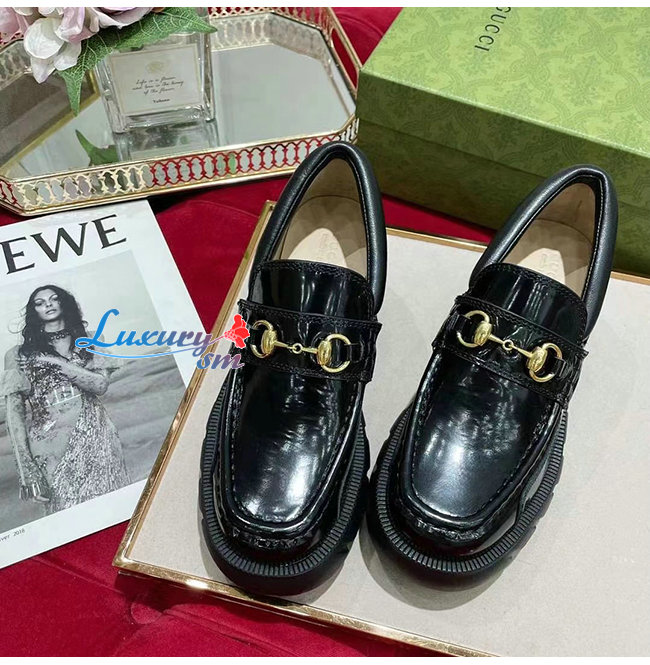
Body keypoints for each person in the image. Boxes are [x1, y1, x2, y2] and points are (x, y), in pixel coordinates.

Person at [1, 284, 129, 513]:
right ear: (33, 311)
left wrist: (52, 362)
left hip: (100, 439)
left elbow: (100, 385)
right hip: (51, 448)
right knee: (66, 512)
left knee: (114, 508)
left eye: (54, 299)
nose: (48, 305)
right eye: (40, 303)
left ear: (64, 303)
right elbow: (14, 415)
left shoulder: (90, 340)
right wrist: (26, 468)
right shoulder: (18, 355)